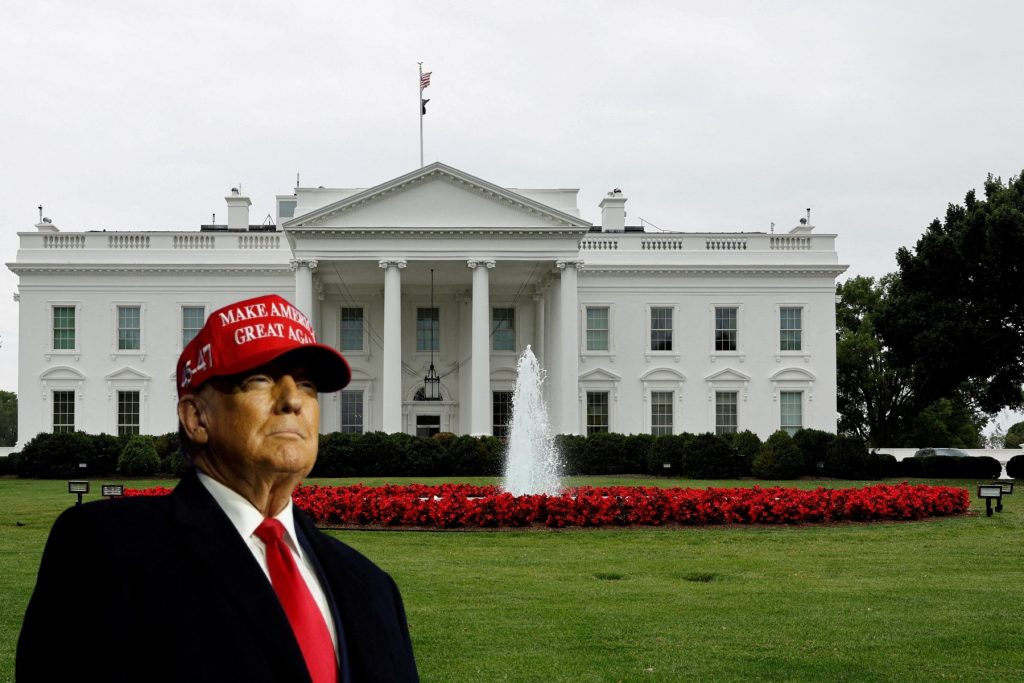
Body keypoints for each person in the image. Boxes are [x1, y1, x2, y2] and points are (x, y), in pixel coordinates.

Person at [17, 294, 419, 682]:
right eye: (260, 379)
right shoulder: (107, 548)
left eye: (307, 385)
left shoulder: (371, 586)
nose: (292, 400)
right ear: (196, 417)